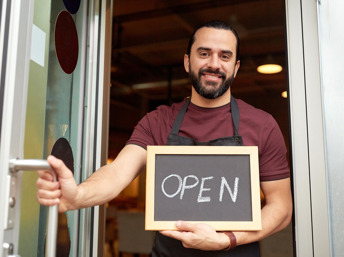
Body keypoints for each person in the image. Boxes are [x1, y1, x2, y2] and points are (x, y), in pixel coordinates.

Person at [37, 20, 293, 256]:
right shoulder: (158, 121)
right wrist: (78, 195)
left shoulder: (262, 125)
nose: (214, 63)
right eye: (204, 53)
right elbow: (116, 173)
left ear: (235, 67)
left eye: (224, 56)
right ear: (187, 62)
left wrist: (227, 239)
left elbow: (281, 207)